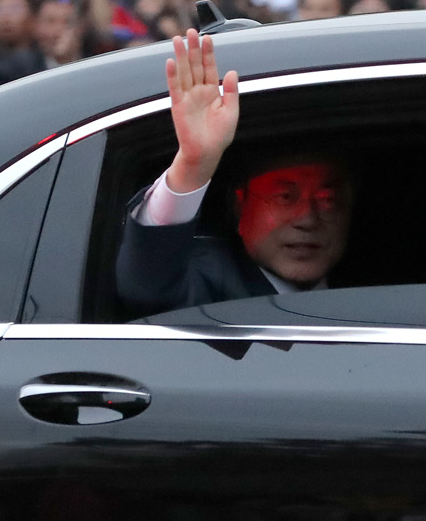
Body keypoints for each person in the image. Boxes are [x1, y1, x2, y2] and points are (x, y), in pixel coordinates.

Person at [114, 30, 353, 315]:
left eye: (328, 200)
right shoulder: (214, 280)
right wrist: (192, 165)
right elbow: (150, 288)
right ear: (240, 205)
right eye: (285, 197)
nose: (308, 220)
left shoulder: (378, 287)